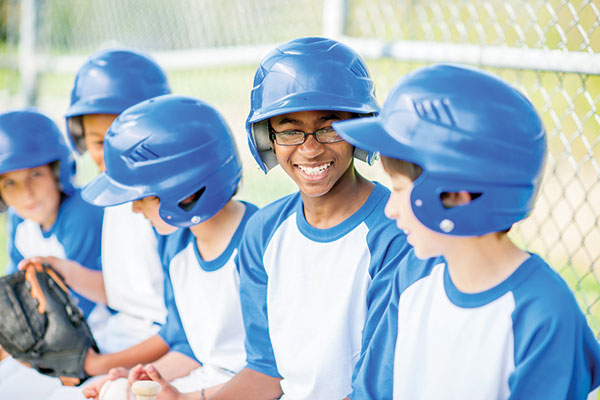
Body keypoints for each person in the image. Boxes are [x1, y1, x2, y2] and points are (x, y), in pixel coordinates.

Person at [135, 36, 414, 400]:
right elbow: (266, 372)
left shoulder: (394, 231)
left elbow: (376, 387)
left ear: (360, 127)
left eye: (330, 125)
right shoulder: (263, 231)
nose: (310, 148)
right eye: (290, 129)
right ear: (267, 138)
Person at [332, 63, 600, 398]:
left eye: (399, 190)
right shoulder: (412, 277)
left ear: (455, 196)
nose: (390, 208)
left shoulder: (543, 314)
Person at [73, 94, 257, 400]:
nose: (134, 210)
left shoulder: (260, 242)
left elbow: (275, 373)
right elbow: (192, 349)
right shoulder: (177, 247)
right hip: (205, 383)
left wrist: (189, 398)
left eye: (141, 198)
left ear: (182, 188)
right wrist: (139, 380)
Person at [33, 47, 173, 357]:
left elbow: (179, 329)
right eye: (99, 142)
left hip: (160, 352)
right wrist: (63, 271)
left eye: (124, 137)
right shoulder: (113, 199)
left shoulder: (169, 207)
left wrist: (100, 366)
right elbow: (126, 294)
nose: (112, 153)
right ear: (79, 140)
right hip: (122, 335)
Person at [0, 109, 105, 398]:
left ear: (59, 171)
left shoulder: (80, 213)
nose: (26, 192)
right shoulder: (21, 221)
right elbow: (15, 295)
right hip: (52, 339)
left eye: (35, 174)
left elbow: (78, 309)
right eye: (10, 182)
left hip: (99, 337)